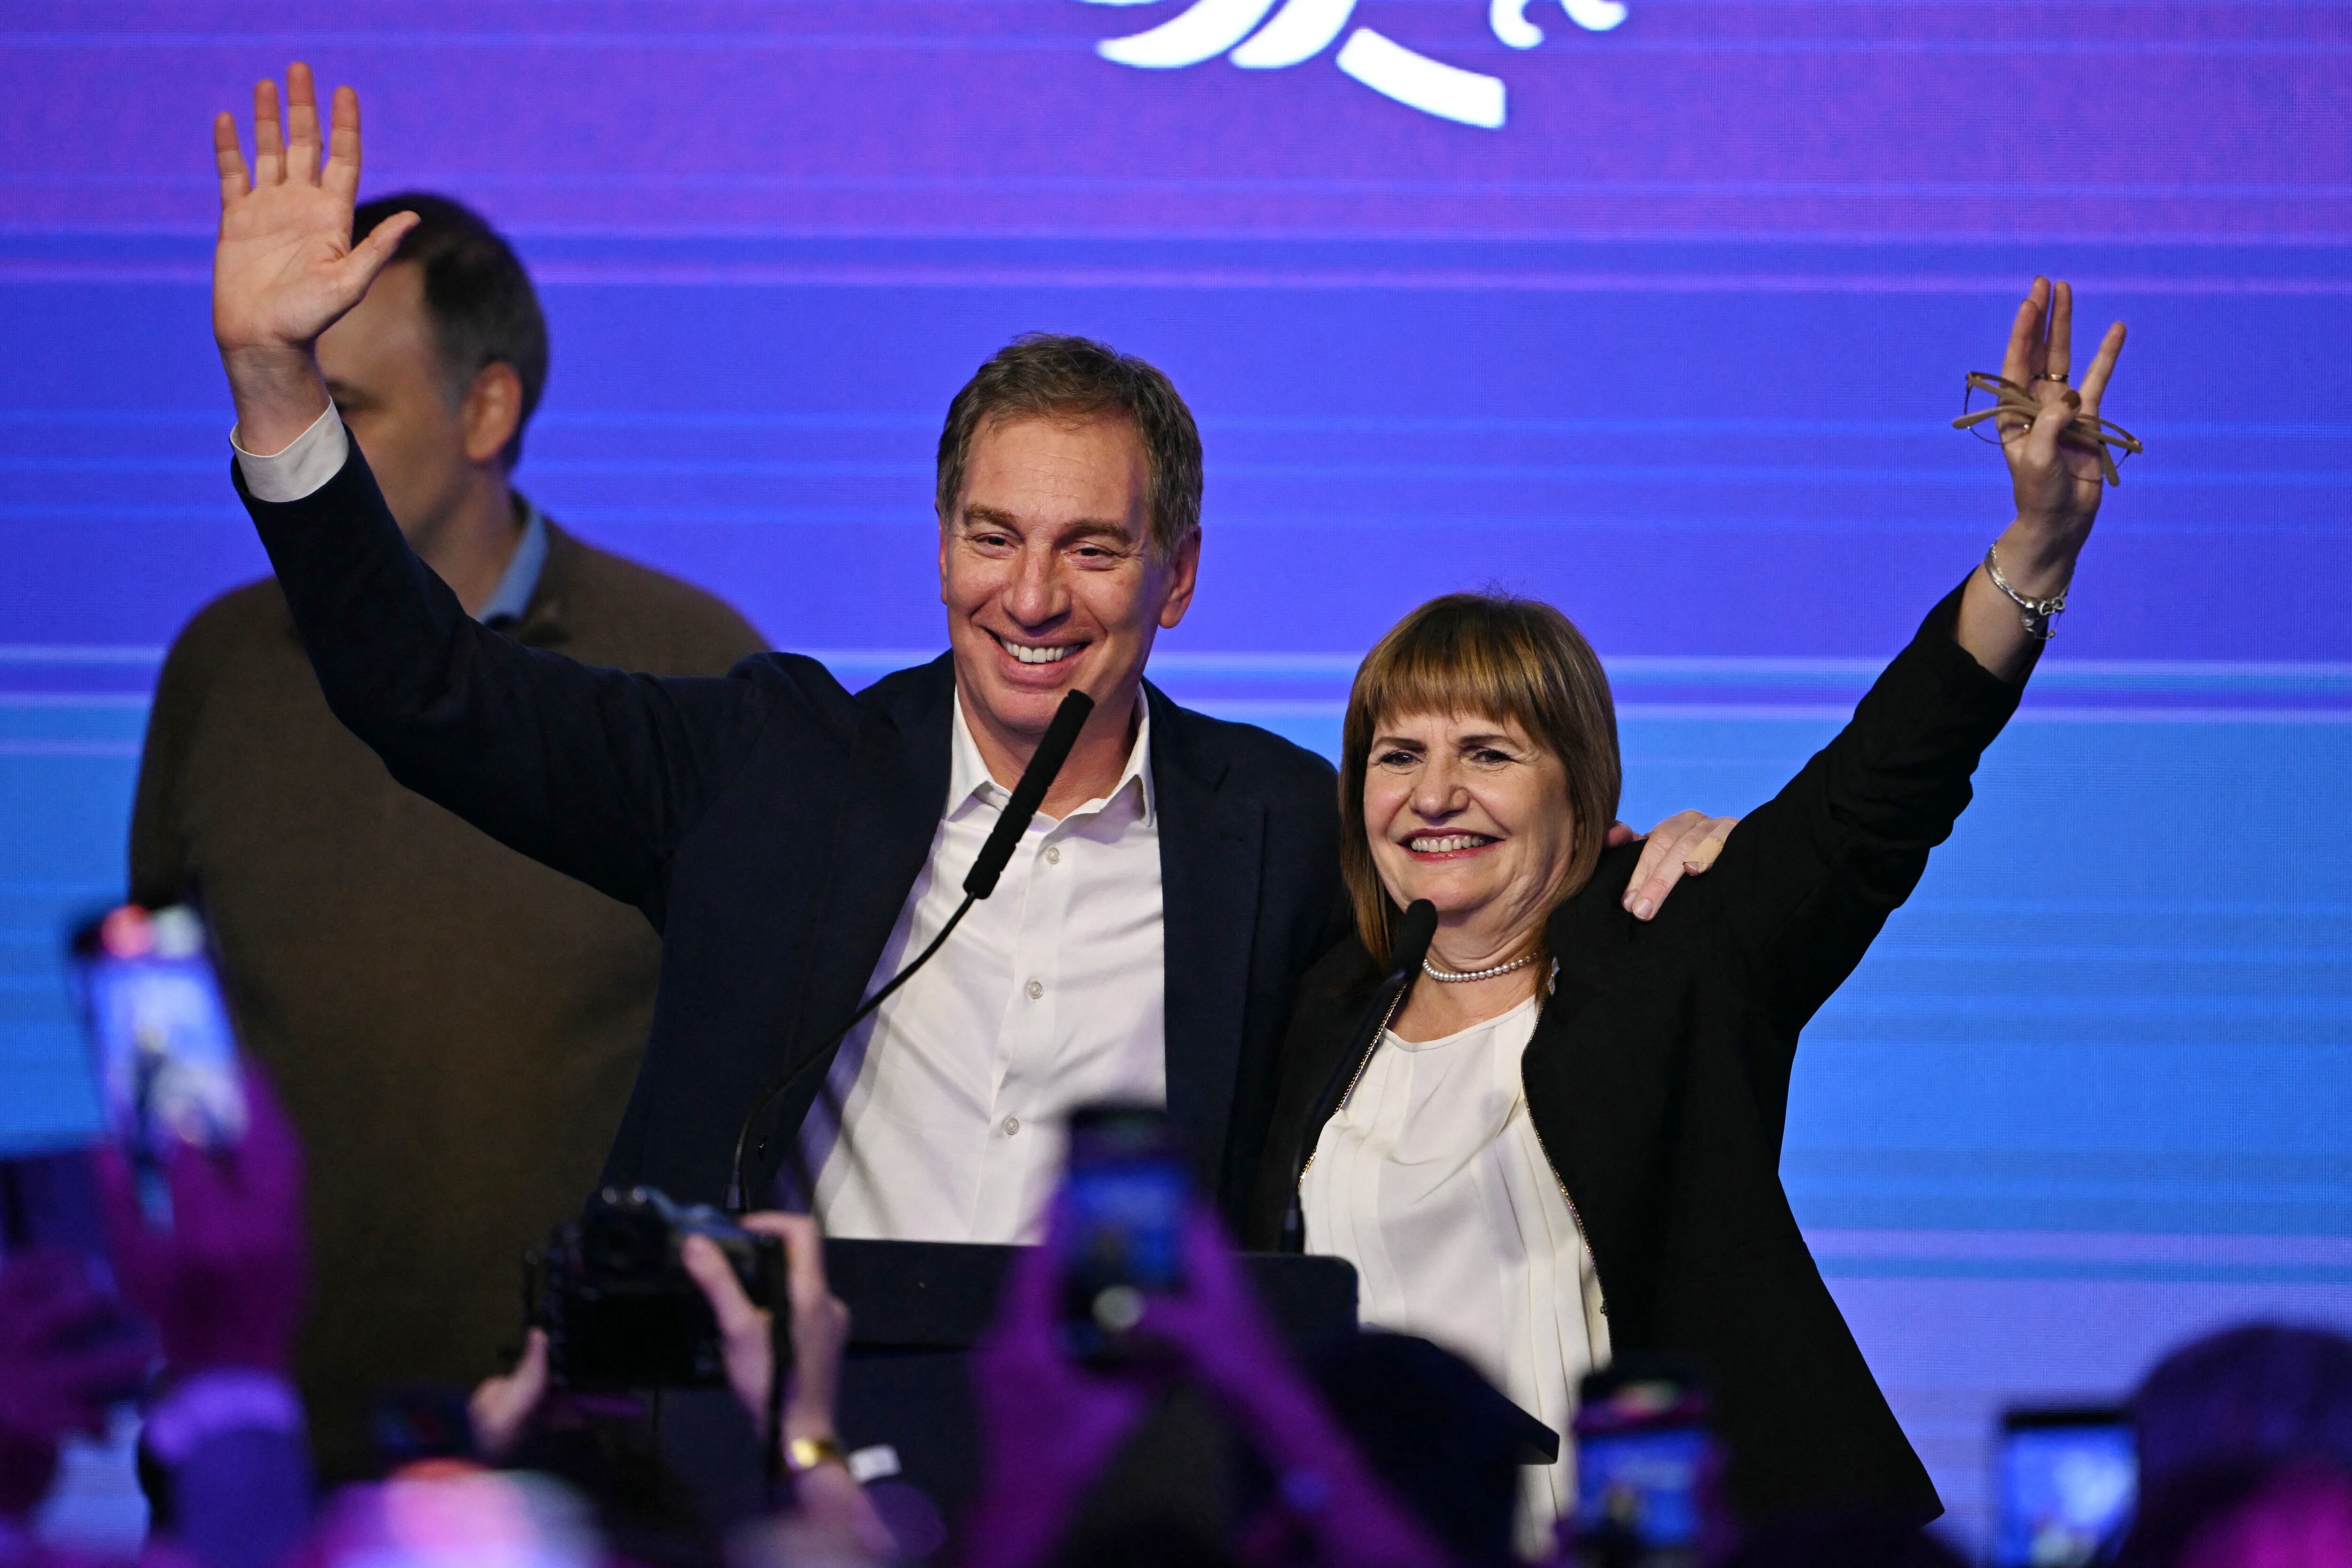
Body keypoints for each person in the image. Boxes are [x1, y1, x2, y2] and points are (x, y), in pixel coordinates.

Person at [197, 65, 1732, 1245]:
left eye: (1094, 547)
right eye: (994, 537)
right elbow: (427, 690)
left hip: (1124, 1488)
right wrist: (279, 388)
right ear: (940, 549)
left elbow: (1479, 897)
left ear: (1179, 578)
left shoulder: (1275, 827)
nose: (1035, 596)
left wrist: (1649, 870)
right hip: (789, 1468)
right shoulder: (767, 768)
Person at [1246, 277, 2132, 1535]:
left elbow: (1884, 787)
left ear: (1585, 790)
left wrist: (2039, 546)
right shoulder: (1318, 1010)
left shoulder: (1675, 943)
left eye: (1490, 753)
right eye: (1399, 754)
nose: (1435, 794)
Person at [131, 185, 768, 1478]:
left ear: (488, 410)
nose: (301, 426)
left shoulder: (691, 666)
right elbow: (166, 1021)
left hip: (593, 1458)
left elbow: (761, 1075)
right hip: (273, 1439)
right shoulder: (223, 663)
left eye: (345, 404)